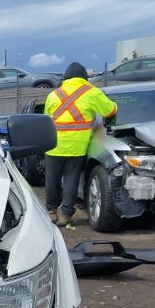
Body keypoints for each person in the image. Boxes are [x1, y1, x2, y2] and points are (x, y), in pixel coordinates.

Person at [44, 62, 118, 226]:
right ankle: (66, 215)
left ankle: (51, 212)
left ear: (66, 78)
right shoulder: (92, 93)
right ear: (85, 78)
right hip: (77, 146)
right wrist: (114, 106)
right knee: (71, 180)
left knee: (52, 180)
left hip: (53, 145)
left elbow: (47, 119)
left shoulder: (53, 95)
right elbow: (110, 111)